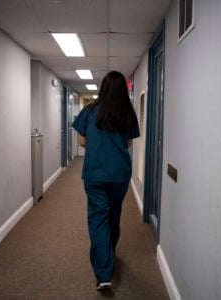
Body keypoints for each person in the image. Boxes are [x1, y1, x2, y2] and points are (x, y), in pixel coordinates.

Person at [72, 71, 140, 291]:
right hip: (120, 174)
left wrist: (98, 147)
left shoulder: (90, 111)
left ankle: (104, 274)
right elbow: (128, 143)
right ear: (123, 89)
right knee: (113, 214)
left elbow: (82, 141)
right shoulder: (128, 113)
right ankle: (108, 254)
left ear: (102, 88)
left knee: (98, 218)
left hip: (95, 173)